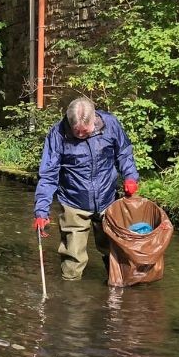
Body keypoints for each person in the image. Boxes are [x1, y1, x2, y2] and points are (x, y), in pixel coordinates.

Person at [33, 97, 139, 280]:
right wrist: (41, 211)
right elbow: (48, 175)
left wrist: (130, 176)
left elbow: (124, 152)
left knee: (114, 253)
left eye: (85, 131)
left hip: (108, 199)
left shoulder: (110, 124)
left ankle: (117, 295)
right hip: (73, 202)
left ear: (94, 121)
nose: (81, 135)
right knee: (72, 260)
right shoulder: (57, 134)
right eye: (77, 132)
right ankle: (71, 299)